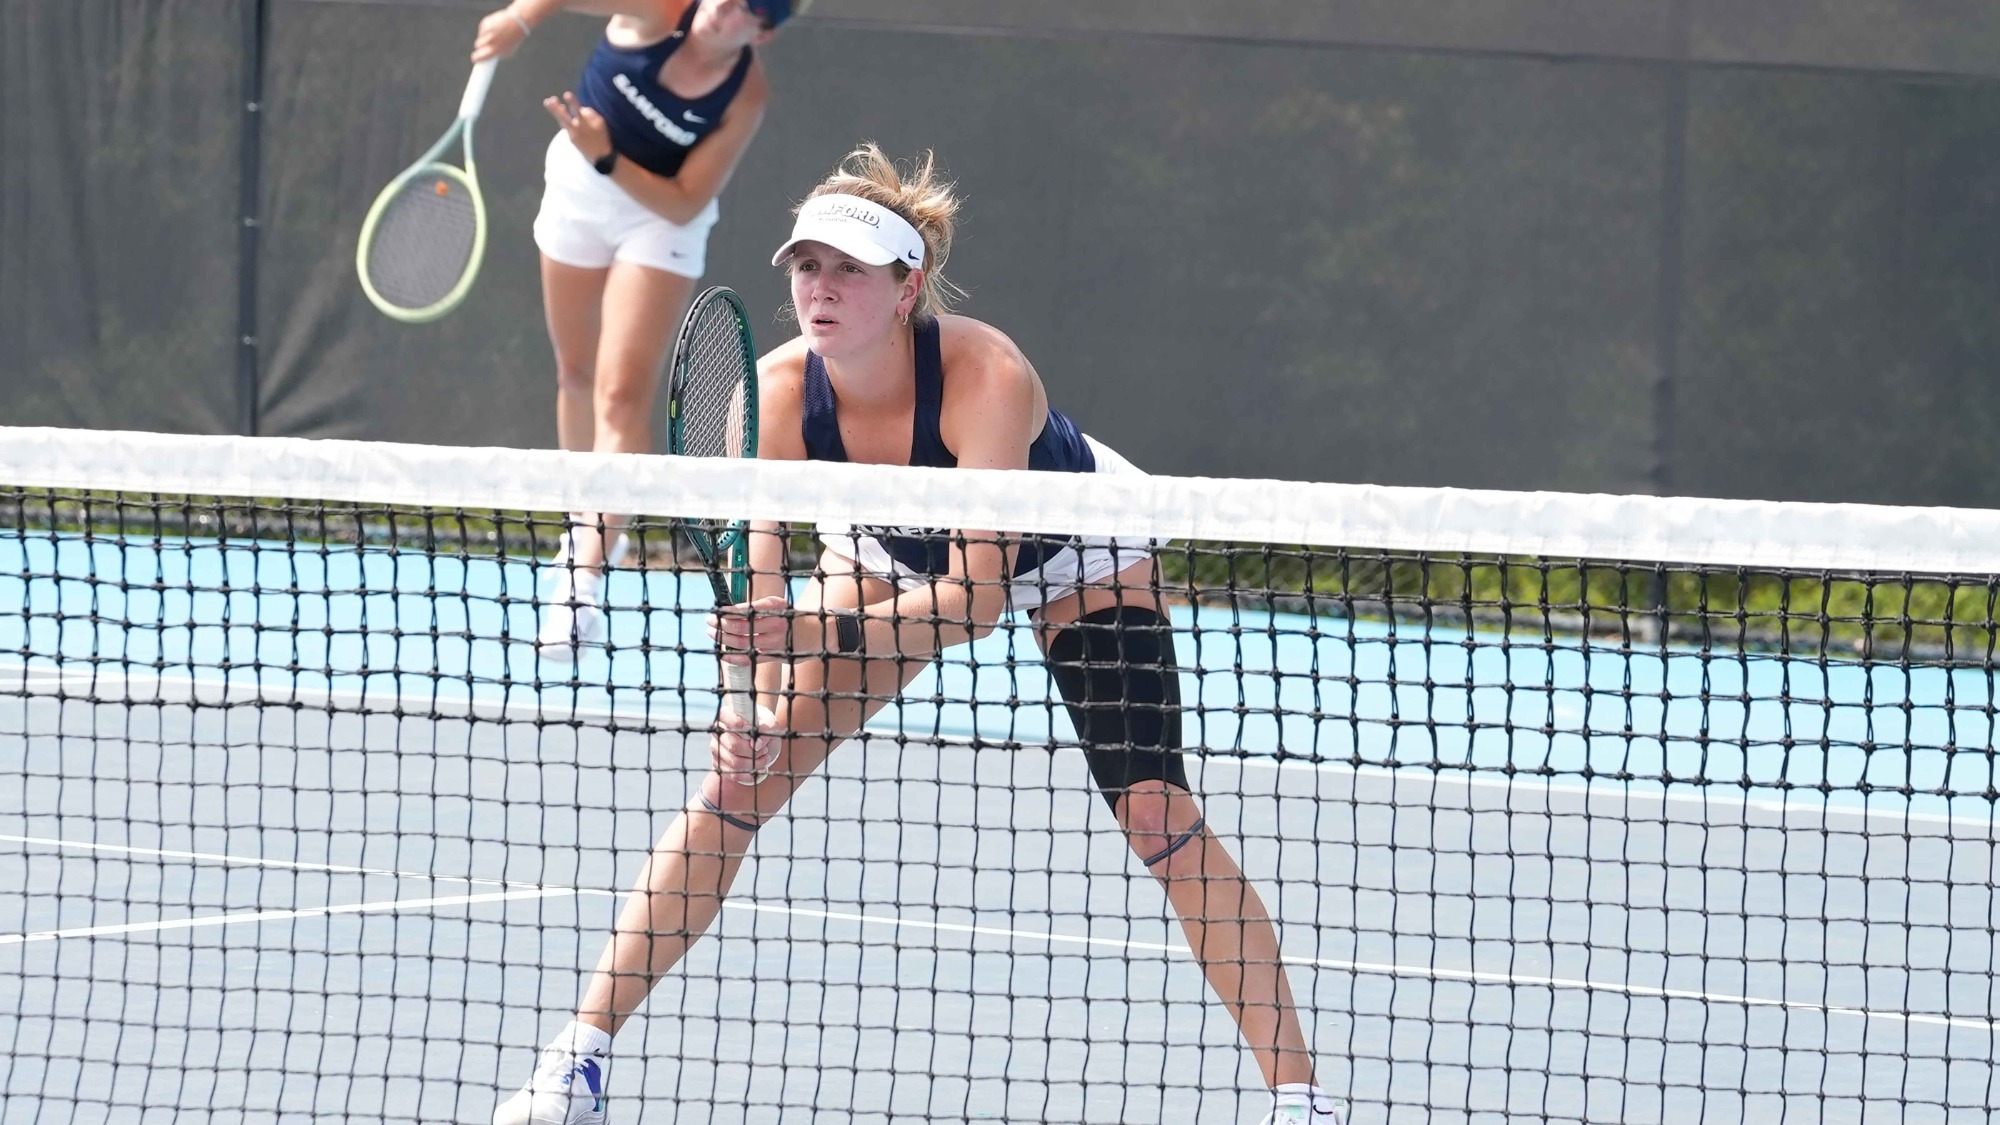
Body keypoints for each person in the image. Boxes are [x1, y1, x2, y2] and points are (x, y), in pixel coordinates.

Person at [492, 145, 1345, 1125]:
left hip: (1078, 555)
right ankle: (576, 1065)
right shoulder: (772, 396)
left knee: (1154, 813)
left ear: (906, 288)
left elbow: (974, 601)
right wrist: (749, 702)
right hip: (883, 558)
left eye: (848, 270)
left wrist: (804, 623)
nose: (820, 288)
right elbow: (755, 573)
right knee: (735, 783)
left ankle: (1300, 1102)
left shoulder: (984, 375)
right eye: (807, 267)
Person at [469, 0, 806, 658]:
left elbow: (682, 200)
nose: (726, 10)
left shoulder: (746, 94)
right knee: (574, 373)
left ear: (762, 32)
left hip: (658, 220)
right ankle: (592, 522)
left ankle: (580, 580)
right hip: (576, 193)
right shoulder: (660, 8)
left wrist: (606, 156)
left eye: (748, 10)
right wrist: (519, 20)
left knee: (620, 393)